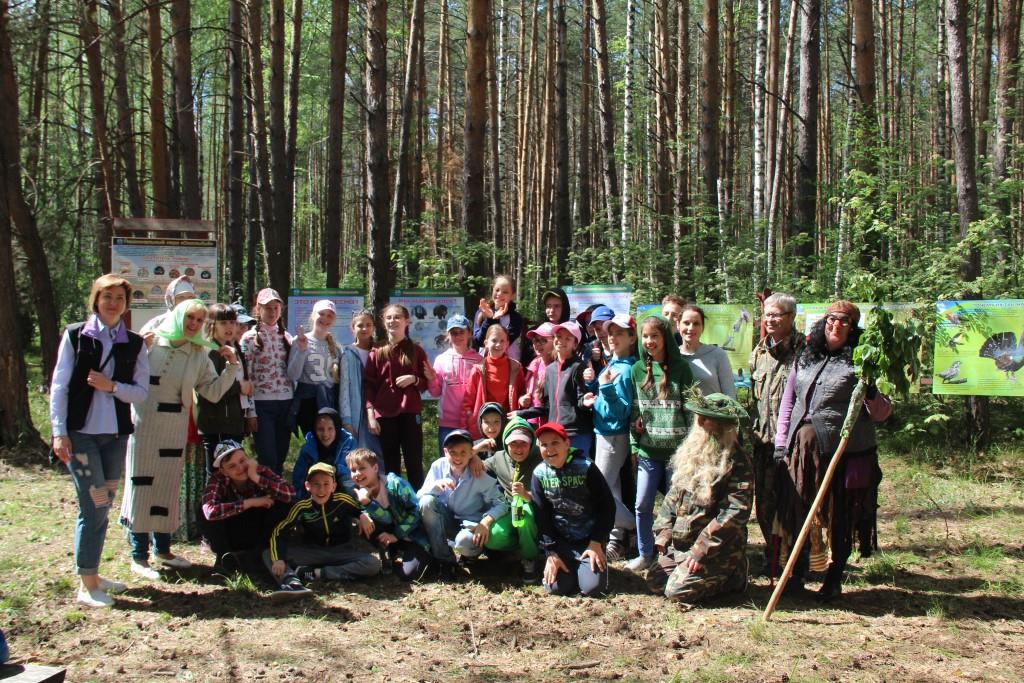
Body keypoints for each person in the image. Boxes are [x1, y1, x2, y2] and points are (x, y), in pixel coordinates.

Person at [773, 301, 892, 601]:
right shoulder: (806, 355)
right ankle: (797, 574)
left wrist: (871, 392)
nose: (835, 325)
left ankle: (834, 577)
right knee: (797, 511)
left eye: (844, 321)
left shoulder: (864, 362)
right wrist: (781, 443)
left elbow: (882, 414)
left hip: (844, 452)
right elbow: (789, 402)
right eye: (831, 319)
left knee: (839, 514)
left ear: (853, 328)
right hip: (802, 449)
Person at [120, 299, 240, 580]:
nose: (193, 325)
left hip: (174, 426)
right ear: (177, 316)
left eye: (199, 320)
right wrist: (138, 349)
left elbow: (211, 392)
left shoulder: (198, 352)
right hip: (144, 425)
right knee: (141, 484)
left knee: (166, 484)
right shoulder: (151, 338)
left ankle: (163, 549)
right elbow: (125, 372)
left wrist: (231, 367)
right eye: (189, 318)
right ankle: (139, 554)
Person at [50, 274, 149, 607]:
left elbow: (141, 392)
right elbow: (60, 386)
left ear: (126, 305)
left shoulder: (134, 343)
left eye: (119, 298)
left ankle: (92, 574)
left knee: (103, 505)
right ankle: (87, 583)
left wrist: (112, 387)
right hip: (80, 435)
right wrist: (59, 431)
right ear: (96, 299)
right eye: (107, 296)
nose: (113, 303)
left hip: (115, 436)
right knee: (93, 506)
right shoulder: (76, 335)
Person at [648, 393, 753, 607]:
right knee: (655, 581)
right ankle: (691, 571)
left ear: (722, 426)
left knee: (676, 591)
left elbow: (733, 514)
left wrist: (700, 551)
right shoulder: (693, 454)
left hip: (716, 550)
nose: (699, 422)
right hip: (681, 545)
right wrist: (664, 533)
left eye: (706, 418)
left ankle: (734, 575)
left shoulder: (737, 462)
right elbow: (672, 497)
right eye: (699, 417)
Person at [628, 314, 694, 572]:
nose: (649, 341)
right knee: (642, 504)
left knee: (677, 507)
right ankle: (645, 554)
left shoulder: (681, 368)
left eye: (654, 336)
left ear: (665, 338)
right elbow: (635, 412)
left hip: (676, 454)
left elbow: (690, 410)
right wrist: (635, 443)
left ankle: (674, 555)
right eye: (645, 337)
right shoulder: (636, 370)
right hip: (648, 450)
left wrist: (690, 450)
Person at [748, 292, 804, 575]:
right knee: (764, 505)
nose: (770, 319)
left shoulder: (804, 352)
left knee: (793, 504)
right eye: (767, 314)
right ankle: (772, 558)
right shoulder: (759, 353)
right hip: (763, 443)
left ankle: (796, 562)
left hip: (794, 445)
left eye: (776, 315)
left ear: (791, 318)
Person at [266, 463, 380, 600]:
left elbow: (359, 508)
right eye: (316, 484)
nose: (321, 490)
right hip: (313, 552)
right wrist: (278, 559)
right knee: (269, 554)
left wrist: (363, 515)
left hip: (342, 551)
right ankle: (292, 582)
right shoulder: (301, 507)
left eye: (326, 484)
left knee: (373, 564)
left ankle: (316, 573)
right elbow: (280, 532)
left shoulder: (342, 500)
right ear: (308, 486)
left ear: (334, 486)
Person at [530, 422, 615, 596]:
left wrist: (597, 542)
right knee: (556, 588)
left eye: (555, 443)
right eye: (544, 445)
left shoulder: (586, 467)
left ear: (566, 444)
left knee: (592, 589)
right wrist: (550, 552)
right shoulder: (539, 473)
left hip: (588, 540)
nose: (549, 449)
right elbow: (541, 516)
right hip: (560, 542)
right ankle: (568, 566)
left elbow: (607, 507)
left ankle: (590, 567)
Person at [582, 314, 638, 561]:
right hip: (602, 432)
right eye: (611, 333)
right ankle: (622, 537)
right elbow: (605, 397)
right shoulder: (612, 364)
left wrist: (604, 389)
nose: (613, 338)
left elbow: (624, 410)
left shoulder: (626, 370)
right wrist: (592, 396)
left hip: (614, 435)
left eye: (620, 334)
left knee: (600, 492)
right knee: (611, 490)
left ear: (632, 338)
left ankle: (643, 525)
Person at [418, 430, 507, 581]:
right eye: (453, 452)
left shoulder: (478, 473)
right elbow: (419, 497)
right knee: (427, 501)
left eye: (463, 452)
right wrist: (435, 486)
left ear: (472, 452)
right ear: (445, 452)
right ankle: (445, 561)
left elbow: (502, 503)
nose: (458, 457)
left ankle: (473, 553)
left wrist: (486, 522)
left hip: (469, 525)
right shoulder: (438, 467)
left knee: (464, 542)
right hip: (446, 520)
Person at [239, 288, 307, 474]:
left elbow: (293, 374)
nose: (272, 312)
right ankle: (267, 498)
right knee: (267, 456)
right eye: (267, 307)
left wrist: (301, 350)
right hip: (262, 405)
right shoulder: (249, 338)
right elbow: (247, 376)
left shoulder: (286, 337)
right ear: (258, 309)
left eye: (276, 307)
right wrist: (250, 412)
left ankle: (277, 498)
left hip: (285, 403)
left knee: (280, 454)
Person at [364, 304, 430, 488]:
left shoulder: (417, 351)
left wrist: (414, 379)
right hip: (385, 415)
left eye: (397, 317)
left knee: (414, 462)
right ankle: (395, 505)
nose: (393, 321)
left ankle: (418, 505)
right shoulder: (376, 351)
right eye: (389, 318)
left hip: (410, 413)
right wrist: (371, 414)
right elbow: (369, 386)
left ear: (406, 321)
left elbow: (426, 383)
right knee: (390, 465)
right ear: (384, 323)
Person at [200, 440, 295, 569]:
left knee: (282, 505)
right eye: (232, 466)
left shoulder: (260, 471)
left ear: (249, 458)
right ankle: (224, 556)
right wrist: (251, 502)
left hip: (259, 531)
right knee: (202, 511)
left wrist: (256, 478)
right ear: (223, 471)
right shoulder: (217, 479)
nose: (240, 468)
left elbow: (291, 495)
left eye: (242, 461)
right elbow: (210, 511)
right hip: (232, 531)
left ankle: (259, 555)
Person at [348, 448, 432, 581]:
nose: (357, 474)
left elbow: (416, 512)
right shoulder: (359, 492)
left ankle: (417, 556)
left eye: (362, 468)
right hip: (391, 536)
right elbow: (385, 518)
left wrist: (395, 535)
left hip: (413, 536)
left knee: (410, 575)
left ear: (375, 468)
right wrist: (362, 513)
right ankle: (388, 553)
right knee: (364, 523)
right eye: (353, 470)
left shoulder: (396, 485)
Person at [515, 321, 594, 455]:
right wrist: (521, 413)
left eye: (567, 338)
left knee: (577, 473)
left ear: (575, 344)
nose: (561, 341)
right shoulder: (550, 370)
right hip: (555, 432)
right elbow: (546, 407)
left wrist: (585, 403)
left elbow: (581, 401)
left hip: (576, 433)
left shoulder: (579, 367)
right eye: (558, 336)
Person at [483, 418, 543, 583]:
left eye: (523, 443)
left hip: (536, 511)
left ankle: (530, 559)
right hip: (508, 510)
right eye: (513, 443)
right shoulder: (498, 458)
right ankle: (518, 550)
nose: (518, 448)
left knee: (524, 515)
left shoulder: (541, 457)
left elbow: (552, 491)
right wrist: (474, 455)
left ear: (531, 443)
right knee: (493, 536)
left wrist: (527, 495)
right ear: (505, 442)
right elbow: (476, 466)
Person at [195, 303, 253, 476]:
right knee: (217, 475)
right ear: (212, 325)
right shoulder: (210, 352)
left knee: (233, 474)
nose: (229, 327)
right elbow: (212, 390)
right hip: (216, 423)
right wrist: (240, 387)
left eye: (232, 322)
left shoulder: (232, 349)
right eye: (224, 323)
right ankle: (212, 504)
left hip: (233, 422)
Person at [428, 313, 484, 452]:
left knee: (473, 463)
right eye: (453, 333)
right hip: (448, 423)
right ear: (448, 335)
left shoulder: (479, 360)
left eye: (461, 332)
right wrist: (431, 379)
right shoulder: (441, 359)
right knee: (447, 464)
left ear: (469, 333)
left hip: (472, 422)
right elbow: (435, 392)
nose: (458, 336)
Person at [462, 324, 526, 439]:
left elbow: (522, 393)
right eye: (494, 340)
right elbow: (468, 402)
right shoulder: (478, 369)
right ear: (486, 343)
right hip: (484, 427)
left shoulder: (515, 367)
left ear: (507, 344)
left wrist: (523, 400)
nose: (498, 345)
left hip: (508, 425)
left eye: (502, 341)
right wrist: (469, 425)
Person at [292, 300, 340, 437]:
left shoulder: (336, 347)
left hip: (329, 401)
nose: (325, 318)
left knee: (329, 444)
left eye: (330, 316)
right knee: (313, 443)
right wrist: (302, 351)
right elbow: (293, 375)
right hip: (308, 402)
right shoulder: (300, 340)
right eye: (321, 314)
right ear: (313, 316)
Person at [338, 309, 382, 457]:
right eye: (360, 325)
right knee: (359, 455)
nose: (364, 329)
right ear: (353, 329)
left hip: (378, 413)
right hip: (356, 414)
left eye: (368, 325)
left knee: (378, 456)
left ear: (373, 328)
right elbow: (344, 389)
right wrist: (347, 420)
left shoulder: (380, 352)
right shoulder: (348, 354)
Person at [291, 407, 357, 498]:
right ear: (314, 430)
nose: (325, 434)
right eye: (320, 429)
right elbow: (298, 476)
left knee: (347, 480)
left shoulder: (349, 443)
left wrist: (336, 469)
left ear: (337, 428)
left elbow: (355, 470)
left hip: (342, 486)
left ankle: (354, 507)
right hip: (318, 488)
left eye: (330, 429)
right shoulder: (308, 448)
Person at [679, 304, 736, 399]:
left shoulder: (717, 354)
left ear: (703, 328)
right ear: (678, 325)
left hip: (713, 413)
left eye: (696, 324)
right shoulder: (673, 356)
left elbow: (729, 393)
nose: (691, 328)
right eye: (686, 323)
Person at [472, 275, 524, 361]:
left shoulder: (516, 318)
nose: (499, 294)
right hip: (485, 363)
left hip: (509, 364)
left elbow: (505, 342)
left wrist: (494, 320)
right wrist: (490, 319)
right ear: (492, 290)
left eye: (505, 292)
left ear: (513, 295)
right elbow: (479, 341)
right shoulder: (481, 313)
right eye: (497, 290)